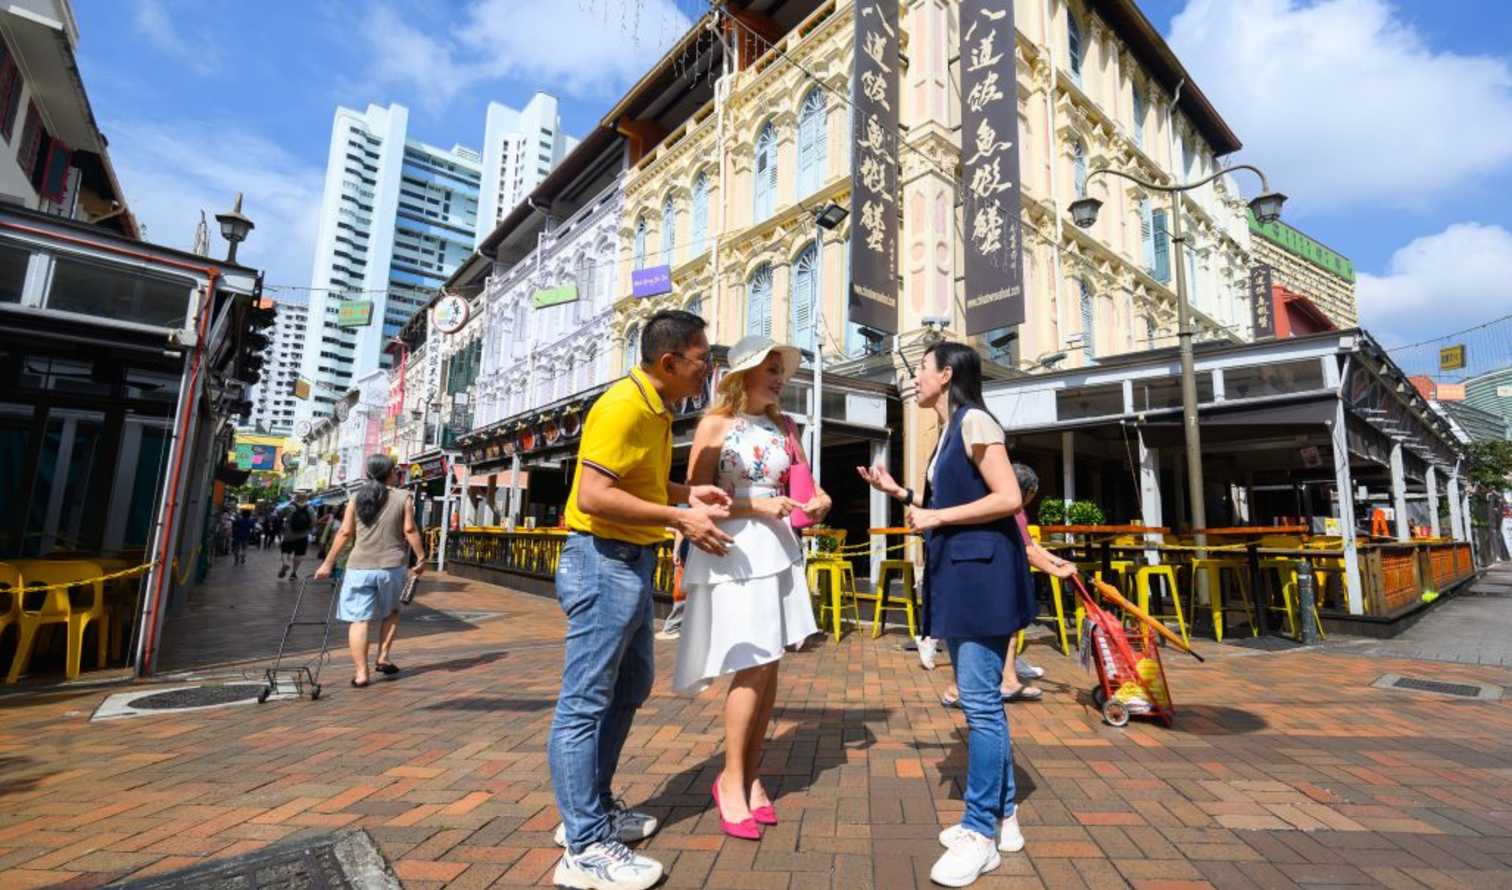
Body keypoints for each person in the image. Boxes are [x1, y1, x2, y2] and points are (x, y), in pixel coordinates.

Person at [548, 309, 733, 890]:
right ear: (669, 361)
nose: (708, 371)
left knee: (628, 689)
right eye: (703, 360)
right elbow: (595, 495)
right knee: (583, 705)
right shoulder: (624, 406)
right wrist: (678, 514)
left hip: (627, 561)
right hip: (601, 561)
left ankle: (595, 810)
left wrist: (684, 491)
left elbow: (635, 485)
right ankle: (582, 847)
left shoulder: (656, 408)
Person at [857, 342, 1037, 887]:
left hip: (982, 579)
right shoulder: (950, 430)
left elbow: (1008, 497)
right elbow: (955, 500)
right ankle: (1005, 818)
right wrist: (903, 492)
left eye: (921, 369)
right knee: (983, 705)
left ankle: (979, 830)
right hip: (963, 578)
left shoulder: (976, 421)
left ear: (947, 373)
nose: (915, 379)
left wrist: (934, 515)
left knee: (981, 707)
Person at [674, 336, 828, 840]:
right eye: (770, 367)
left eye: (781, 369)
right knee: (750, 665)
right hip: (731, 550)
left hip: (777, 549)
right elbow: (695, 501)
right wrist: (753, 507)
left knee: (768, 665)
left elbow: (802, 494)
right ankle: (732, 781)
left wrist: (819, 501)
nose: (779, 377)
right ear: (742, 374)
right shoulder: (714, 424)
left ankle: (748, 775)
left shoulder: (786, 426)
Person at [938, 463, 1076, 708]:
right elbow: (1029, 551)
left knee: (1005, 632)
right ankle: (959, 688)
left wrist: (1057, 560)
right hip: (995, 579)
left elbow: (1031, 545)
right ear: (1027, 491)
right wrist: (1057, 571)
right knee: (983, 636)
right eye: (1033, 493)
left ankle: (1007, 681)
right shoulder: (1010, 509)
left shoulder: (1007, 508)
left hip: (990, 577)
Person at [314, 454, 426, 687]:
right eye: (395, 470)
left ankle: (361, 673)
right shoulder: (404, 497)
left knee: (359, 620)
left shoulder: (356, 497)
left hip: (358, 567)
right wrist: (421, 557)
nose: (397, 474)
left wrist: (328, 563)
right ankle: (383, 657)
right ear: (389, 473)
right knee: (391, 612)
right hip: (392, 566)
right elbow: (409, 529)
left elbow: (345, 532)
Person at [279, 493, 314, 580]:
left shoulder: (290, 507)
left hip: (289, 534)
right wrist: (309, 530)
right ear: (306, 499)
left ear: (295, 498)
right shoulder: (310, 508)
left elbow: (280, 515)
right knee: (299, 554)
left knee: (285, 550)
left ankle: (285, 563)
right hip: (303, 535)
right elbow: (313, 522)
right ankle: (293, 573)